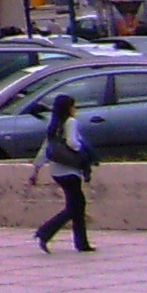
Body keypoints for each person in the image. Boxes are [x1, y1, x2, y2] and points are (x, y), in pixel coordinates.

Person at [29, 91, 96, 253]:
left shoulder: (54, 125)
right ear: (69, 108)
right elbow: (72, 142)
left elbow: (45, 149)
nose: (76, 108)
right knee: (75, 207)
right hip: (71, 171)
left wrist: (36, 170)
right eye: (74, 105)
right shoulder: (71, 122)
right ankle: (44, 232)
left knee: (77, 206)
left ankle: (82, 243)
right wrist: (82, 151)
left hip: (57, 172)